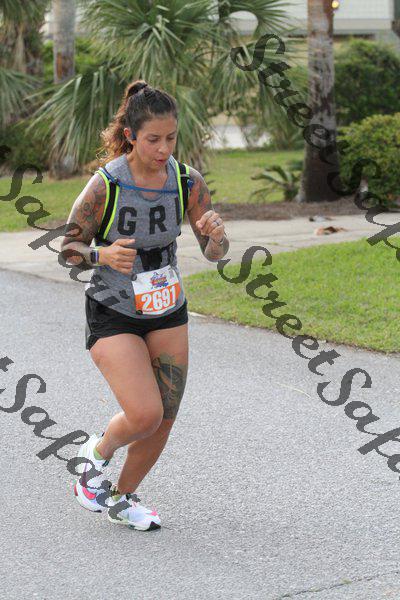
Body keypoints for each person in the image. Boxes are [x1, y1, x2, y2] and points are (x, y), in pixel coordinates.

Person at [60, 79, 229, 531]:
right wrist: (101, 255)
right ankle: (94, 455)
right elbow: (67, 248)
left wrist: (217, 236)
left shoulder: (186, 181)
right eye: (153, 139)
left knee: (165, 416)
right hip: (113, 310)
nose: (164, 149)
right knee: (144, 414)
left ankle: (122, 498)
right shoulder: (106, 184)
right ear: (131, 135)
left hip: (167, 307)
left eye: (171, 138)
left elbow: (215, 253)